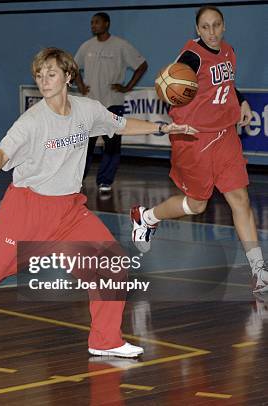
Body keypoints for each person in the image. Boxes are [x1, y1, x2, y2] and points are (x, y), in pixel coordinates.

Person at [0, 47, 196, 357]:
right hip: (26, 211)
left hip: (68, 213)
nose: (44, 80)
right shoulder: (32, 122)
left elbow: (121, 125)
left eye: (51, 74)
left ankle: (105, 340)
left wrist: (163, 128)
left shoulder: (88, 110)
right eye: (39, 75)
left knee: (112, 265)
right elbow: (2, 153)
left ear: (68, 76)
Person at [130, 6, 267, 296]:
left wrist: (240, 100)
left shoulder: (229, 51)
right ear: (197, 30)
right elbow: (169, 81)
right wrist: (169, 93)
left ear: (224, 26)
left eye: (216, 25)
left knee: (240, 199)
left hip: (225, 134)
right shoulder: (191, 55)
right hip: (194, 139)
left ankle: (259, 271)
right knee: (197, 205)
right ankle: (147, 217)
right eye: (205, 27)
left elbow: (227, 85)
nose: (212, 32)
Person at [75, 12, 148, 193]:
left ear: (106, 24)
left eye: (97, 22)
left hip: (113, 103)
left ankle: (105, 181)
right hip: (90, 105)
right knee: (85, 145)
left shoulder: (121, 45)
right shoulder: (86, 47)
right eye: (92, 22)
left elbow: (142, 65)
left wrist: (127, 87)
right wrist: (81, 85)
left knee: (112, 145)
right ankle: (76, 180)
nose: (93, 25)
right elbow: (74, 68)